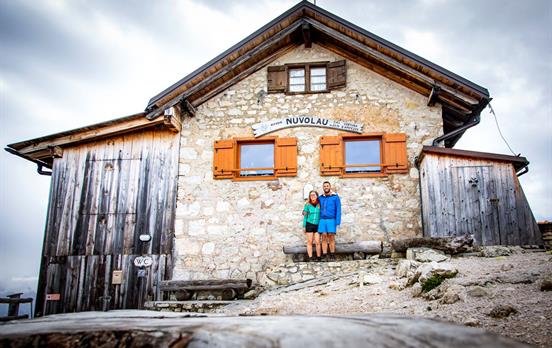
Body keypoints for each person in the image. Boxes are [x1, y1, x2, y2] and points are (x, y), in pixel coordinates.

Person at [318, 181, 341, 261]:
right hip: (322, 220)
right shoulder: (320, 198)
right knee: (323, 237)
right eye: (324, 186)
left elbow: (338, 209)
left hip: (332, 219)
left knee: (331, 236)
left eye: (327, 186)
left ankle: (332, 254)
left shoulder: (335, 197)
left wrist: (337, 221)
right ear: (323, 188)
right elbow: (313, 203)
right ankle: (324, 255)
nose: (326, 187)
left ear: (330, 187)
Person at [302, 190, 321, 261]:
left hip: (317, 225)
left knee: (317, 241)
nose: (312, 196)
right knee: (310, 241)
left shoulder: (319, 204)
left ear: (317, 196)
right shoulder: (307, 205)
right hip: (309, 224)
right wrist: (304, 226)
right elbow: (305, 216)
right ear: (309, 197)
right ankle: (310, 257)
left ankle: (319, 257)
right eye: (311, 195)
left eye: (314, 195)